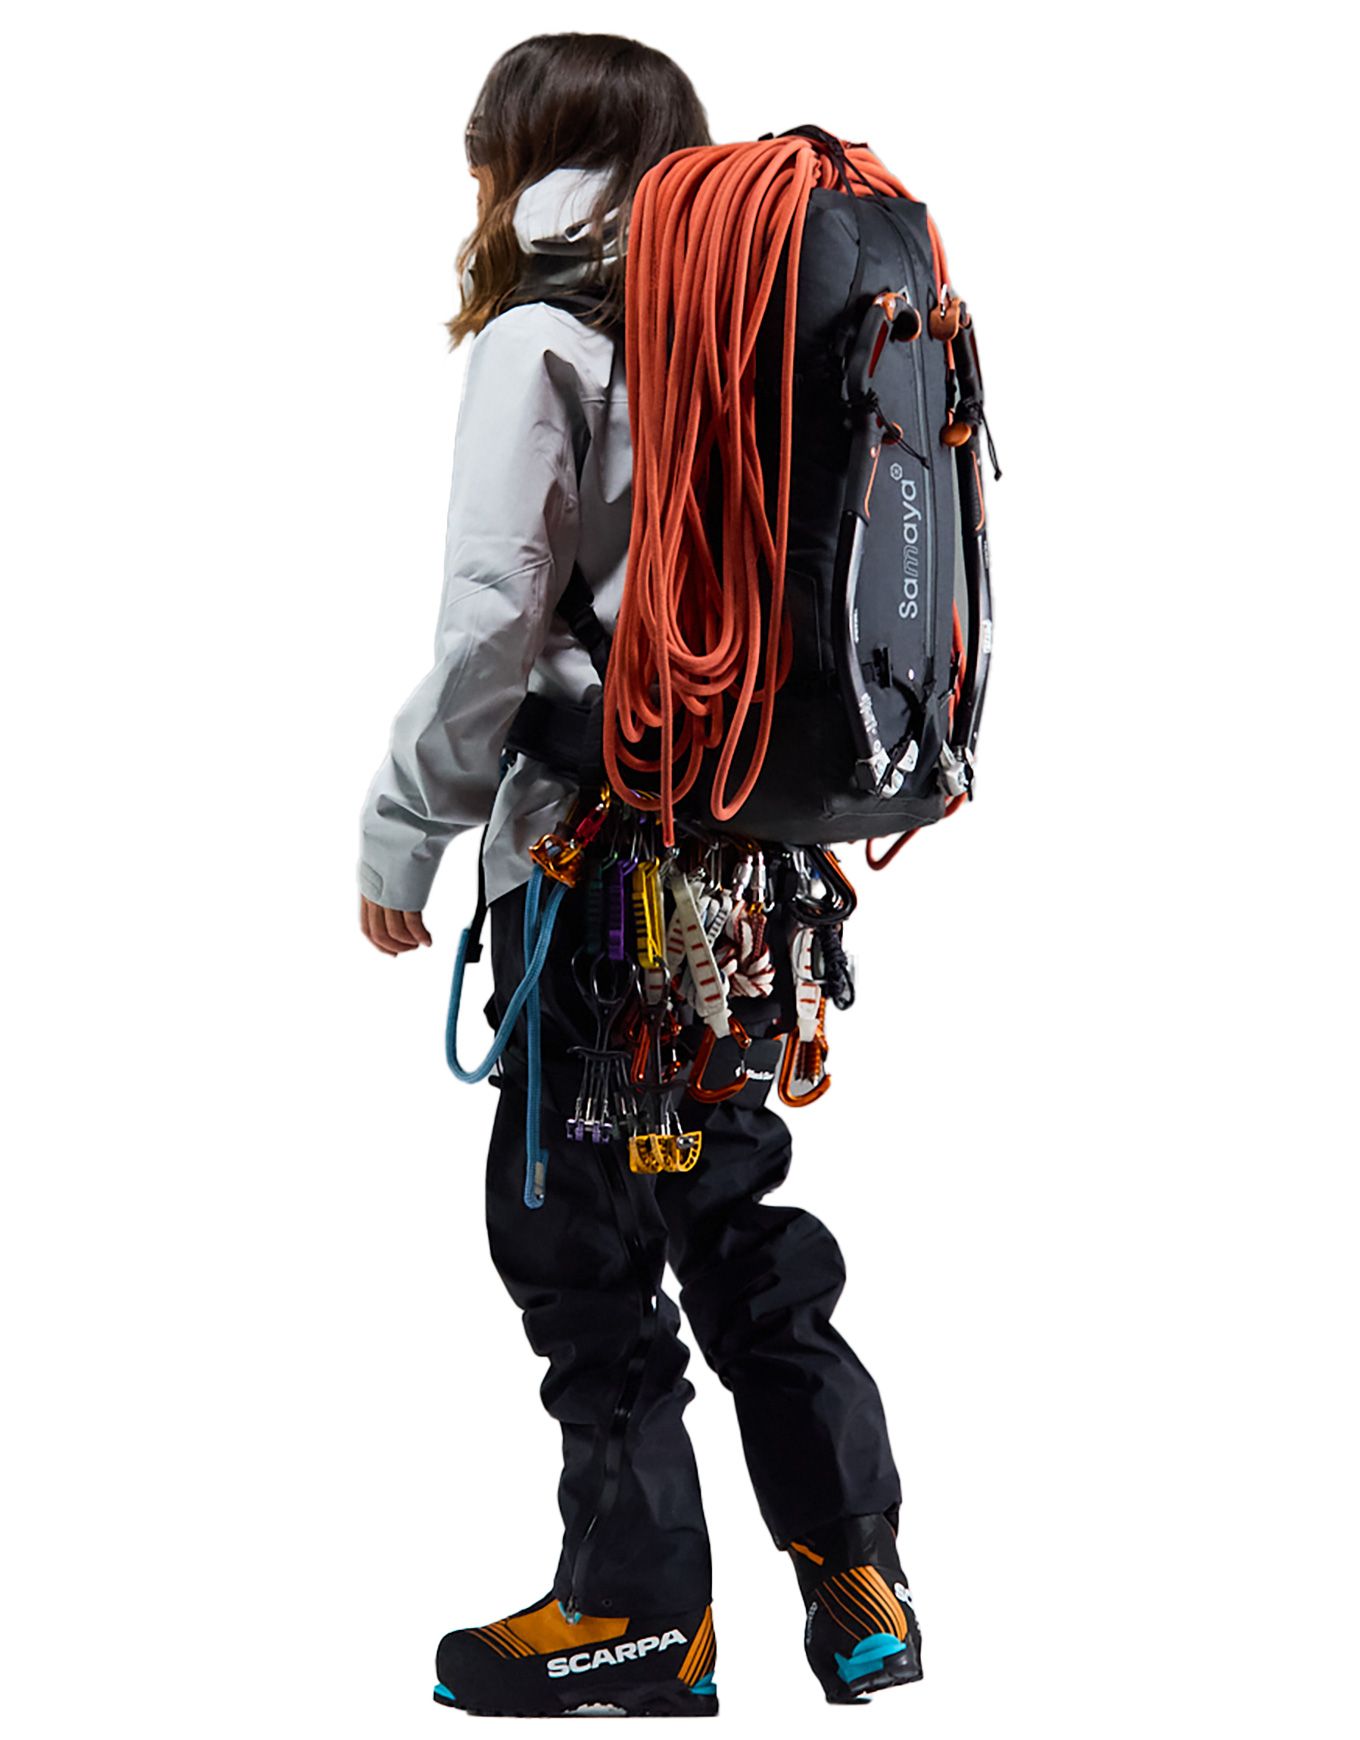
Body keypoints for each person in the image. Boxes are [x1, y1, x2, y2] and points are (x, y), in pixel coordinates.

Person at [358, 32, 923, 1717]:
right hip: (744, 874)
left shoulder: (541, 335)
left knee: (577, 1241)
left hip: (588, 868)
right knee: (730, 1207)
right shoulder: (750, 322)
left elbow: (492, 627)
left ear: (517, 160)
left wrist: (404, 827)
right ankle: (857, 1572)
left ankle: (634, 1612)